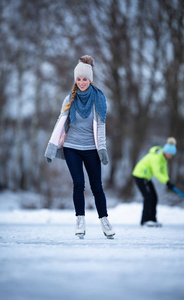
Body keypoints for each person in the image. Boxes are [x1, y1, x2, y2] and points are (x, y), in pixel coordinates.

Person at [44, 55, 115, 239]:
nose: (81, 82)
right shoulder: (70, 98)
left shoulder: (98, 99)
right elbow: (60, 122)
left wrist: (102, 148)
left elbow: (100, 125)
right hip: (72, 147)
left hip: (91, 148)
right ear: (75, 80)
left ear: (90, 80)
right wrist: (52, 147)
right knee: (78, 184)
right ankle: (80, 221)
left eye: (85, 79)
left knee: (97, 186)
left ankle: (104, 221)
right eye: (78, 79)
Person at [132, 137, 177, 227]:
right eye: (171, 154)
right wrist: (166, 182)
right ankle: (145, 220)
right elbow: (157, 172)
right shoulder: (156, 157)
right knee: (148, 197)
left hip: (146, 177)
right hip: (140, 175)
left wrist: (167, 181)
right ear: (167, 152)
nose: (171, 156)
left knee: (154, 197)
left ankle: (152, 219)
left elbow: (163, 171)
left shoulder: (163, 158)